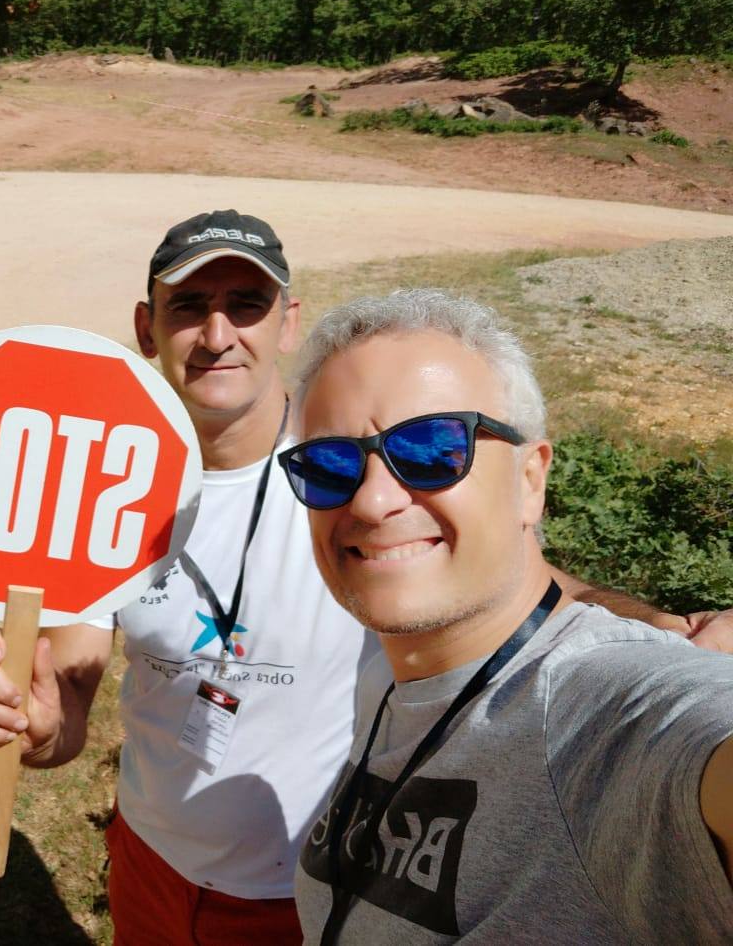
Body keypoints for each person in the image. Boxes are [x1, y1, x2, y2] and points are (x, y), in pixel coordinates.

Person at [0, 213, 705, 944]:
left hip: (307, 889)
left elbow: (526, 586)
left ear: (286, 324)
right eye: (189, 306)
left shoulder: (341, 479)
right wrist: (48, 724)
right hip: (149, 860)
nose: (218, 335)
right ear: (146, 327)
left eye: (245, 305)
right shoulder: (117, 486)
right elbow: (74, 683)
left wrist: (669, 629)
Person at [287, 289, 733, 943]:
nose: (373, 499)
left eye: (433, 449)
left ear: (530, 480)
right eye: (330, 464)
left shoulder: (602, 715)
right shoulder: (391, 669)